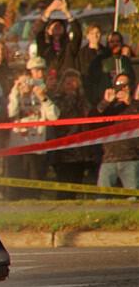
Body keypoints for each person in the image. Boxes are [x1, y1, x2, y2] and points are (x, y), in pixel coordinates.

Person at [5, 56, 60, 198]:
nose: (39, 74)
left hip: (38, 146)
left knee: (34, 187)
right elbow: (11, 112)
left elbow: (54, 116)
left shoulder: (46, 90)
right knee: (16, 186)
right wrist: (17, 92)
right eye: (35, 71)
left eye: (42, 70)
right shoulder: (16, 89)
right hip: (18, 145)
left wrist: (43, 98)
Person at [51, 69, 96, 197]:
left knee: (77, 179)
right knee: (64, 181)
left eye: (74, 83)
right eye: (68, 83)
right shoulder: (57, 99)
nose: (71, 86)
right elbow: (57, 115)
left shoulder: (83, 100)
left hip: (80, 148)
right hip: (63, 146)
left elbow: (89, 115)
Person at [94, 73, 139, 190]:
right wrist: (105, 102)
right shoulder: (109, 107)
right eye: (119, 85)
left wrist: (129, 101)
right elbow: (92, 121)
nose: (122, 88)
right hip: (109, 158)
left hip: (131, 158)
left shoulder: (135, 105)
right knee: (101, 198)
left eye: (125, 85)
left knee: (132, 199)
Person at [32, 0, 81, 76]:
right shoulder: (44, 47)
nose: (57, 27)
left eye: (60, 26)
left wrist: (66, 12)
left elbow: (77, 33)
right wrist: (50, 10)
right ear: (48, 30)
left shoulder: (69, 47)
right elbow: (38, 33)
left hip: (66, 81)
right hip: (49, 81)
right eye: (54, 26)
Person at [87, 31, 135, 106]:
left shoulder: (125, 60)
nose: (115, 44)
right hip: (105, 101)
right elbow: (92, 82)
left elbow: (132, 80)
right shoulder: (99, 60)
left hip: (123, 101)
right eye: (112, 42)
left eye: (118, 41)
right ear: (107, 44)